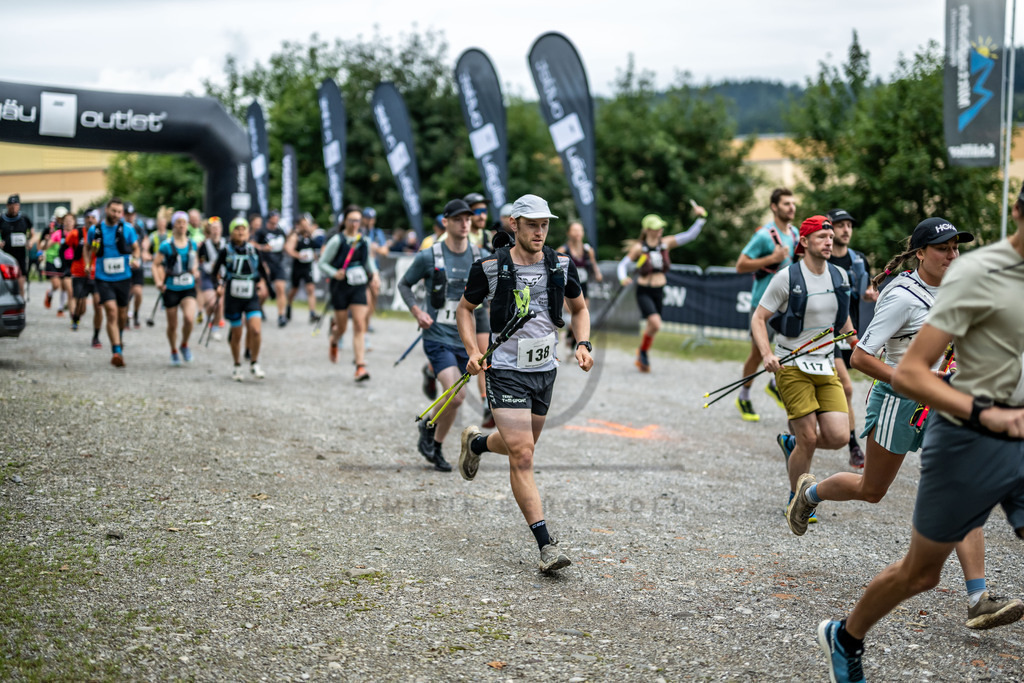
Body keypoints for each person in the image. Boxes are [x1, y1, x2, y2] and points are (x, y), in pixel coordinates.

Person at [817, 201, 1024, 682]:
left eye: (956, 248)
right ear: (920, 254)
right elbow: (864, 356)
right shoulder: (914, 292)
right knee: (875, 494)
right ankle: (812, 496)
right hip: (903, 400)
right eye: (943, 249)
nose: (952, 256)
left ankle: (977, 596)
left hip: (970, 418)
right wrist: (962, 400)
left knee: (969, 508)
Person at [455, 194, 593, 572]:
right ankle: (546, 546)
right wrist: (471, 350)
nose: (539, 231)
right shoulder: (489, 267)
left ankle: (477, 443)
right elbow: (464, 310)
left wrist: (582, 343)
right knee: (525, 454)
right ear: (514, 224)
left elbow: (579, 309)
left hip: (544, 371)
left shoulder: (561, 265)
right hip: (504, 370)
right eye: (532, 224)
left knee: (522, 446)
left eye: (545, 224)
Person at [751, 215, 854, 525]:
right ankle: (796, 498)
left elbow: (843, 321)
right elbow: (758, 318)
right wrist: (767, 354)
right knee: (809, 437)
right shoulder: (787, 278)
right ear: (805, 242)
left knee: (838, 436)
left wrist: (859, 342)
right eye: (822, 237)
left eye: (831, 238)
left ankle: (791, 444)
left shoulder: (839, 277)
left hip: (825, 364)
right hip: (791, 364)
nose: (829, 242)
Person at [399, 199, 484, 471]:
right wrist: (417, 312)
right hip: (437, 336)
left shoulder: (480, 255)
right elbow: (405, 284)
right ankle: (432, 433)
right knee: (456, 396)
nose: (465, 223)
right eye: (458, 219)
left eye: (468, 219)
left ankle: (433, 442)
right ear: (445, 222)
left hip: (465, 339)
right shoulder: (429, 256)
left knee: (453, 399)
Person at [616, 204, 707, 372]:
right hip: (644, 290)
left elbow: (689, 236)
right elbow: (623, 265)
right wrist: (623, 278)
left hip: (659, 290)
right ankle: (643, 352)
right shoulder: (639, 248)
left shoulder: (665, 243)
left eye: (661, 227)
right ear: (648, 230)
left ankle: (642, 351)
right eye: (657, 228)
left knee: (655, 326)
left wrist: (701, 218)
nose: (660, 230)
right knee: (655, 323)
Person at [735, 188, 799, 421]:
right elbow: (741, 265)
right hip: (762, 304)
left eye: (793, 203)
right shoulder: (764, 236)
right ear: (774, 207)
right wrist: (771, 259)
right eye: (786, 204)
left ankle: (774, 383)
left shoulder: (794, 234)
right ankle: (743, 396)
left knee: (787, 348)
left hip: (787, 304)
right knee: (757, 353)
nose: (791, 207)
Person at [826, 208, 877, 468]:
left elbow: (864, 292)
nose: (846, 230)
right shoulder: (820, 260)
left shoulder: (859, 261)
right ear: (829, 228)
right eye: (840, 225)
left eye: (849, 225)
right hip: (824, 336)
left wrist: (870, 294)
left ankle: (802, 435)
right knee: (845, 387)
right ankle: (853, 445)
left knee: (838, 388)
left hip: (849, 333)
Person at [318, 205, 378, 381]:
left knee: (360, 325)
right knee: (343, 327)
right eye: (351, 220)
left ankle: (360, 366)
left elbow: (369, 262)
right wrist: (334, 273)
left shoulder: (364, 241)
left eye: (358, 220)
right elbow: (322, 263)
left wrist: (374, 275)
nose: (355, 224)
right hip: (340, 287)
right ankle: (334, 339)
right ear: (345, 221)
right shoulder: (337, 240)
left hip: (359, 285)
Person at [85, 197, 141, 367]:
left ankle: (119, 337)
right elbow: (88, 248)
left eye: (119, 212)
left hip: (123, 277)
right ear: (106, 211)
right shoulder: (95, 230)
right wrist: (88, 264)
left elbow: (136, 248)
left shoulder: (128, 229)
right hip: (103, 278)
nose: (116, 214)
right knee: (111, 312)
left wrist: (136, 258)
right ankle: (117, 351)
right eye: (113, 211)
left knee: (122, 314)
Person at [211, 217, 268, 381]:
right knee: (237, 333)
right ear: (231, 232)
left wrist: (264, 285)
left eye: (244, 229)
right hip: (233, 297)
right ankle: (237, 365)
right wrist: (218, 286)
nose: (241, 232)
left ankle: (254, 362)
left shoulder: (253, 250)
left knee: (256, 330)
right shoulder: (226, 251)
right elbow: (215, 272)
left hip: (250, 295)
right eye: (237, 229)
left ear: (249, 232)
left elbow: (262, 271)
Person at [153, 211, 200, 365]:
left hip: (188, 286)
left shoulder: (192, 243)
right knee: (172, 325)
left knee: (188, 319)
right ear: (173, 225)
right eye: (178, 222)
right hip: (171, 287)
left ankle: (184, 344)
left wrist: (195, 269)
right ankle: (173, 350)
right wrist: (158, 281)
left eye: (183, 222)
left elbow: (196, 261)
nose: (181, 225)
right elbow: (156, 264)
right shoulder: (166, 245)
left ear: (187, 225)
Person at [63, 212, 102, 344]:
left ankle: (96, 336)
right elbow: (66, 246)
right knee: (81, 305)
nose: (90, 220)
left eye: (93, 218)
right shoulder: (76, 233)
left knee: (98, 304)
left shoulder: (102, 233)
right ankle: (76, 317)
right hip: (79, 273)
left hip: (98, 274)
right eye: (88, 218)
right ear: (84, 219)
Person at [284, 214, 324, 324]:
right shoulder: (295, 236)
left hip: (308, 267)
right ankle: (288, 305)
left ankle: (312, 313)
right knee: (294, 289)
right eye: (304, 224)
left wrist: (316, 258)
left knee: (311, 289)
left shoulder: (311, 237)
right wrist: (299, 255)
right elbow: (288, 249)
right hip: (298, 267)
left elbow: (314, 250)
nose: (306, 226)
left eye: (307, 224)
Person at [252, 210, 289, 327]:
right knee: (263, 293)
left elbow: (285, 245)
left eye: (277, 220)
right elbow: (252, 243)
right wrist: (263, 247)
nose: (275, 222)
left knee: (280, 288)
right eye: (273, 220)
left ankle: (281, 315)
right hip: (264, 265)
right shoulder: (261, 231)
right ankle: (260, 308)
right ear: (269, 219)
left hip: (277, 264)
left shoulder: (280, 232)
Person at [198, 217, 226, 339]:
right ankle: (210, 318)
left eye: (217, 228)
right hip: (209, 277)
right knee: (210, 303)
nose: (215, 231)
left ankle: (215, 327)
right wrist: (213, 267)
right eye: (213, 228)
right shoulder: (204, 245)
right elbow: (202, 263)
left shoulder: (226, 243)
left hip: (222, 277)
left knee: (219, 303)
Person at [0, 194, 32, 296]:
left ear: (19, 206)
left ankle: (21, 306)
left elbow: (33, 234)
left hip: (21, 255)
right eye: (11, 205)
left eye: (16, 205)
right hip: (6, 256)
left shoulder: (24, 218)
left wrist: (30, 241)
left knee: (20, 284)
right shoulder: (2, 219)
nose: (13, 207)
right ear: (7, 206)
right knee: (7, 284)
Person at [123, 202, 148, 328]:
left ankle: (136, 313)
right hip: (124, 263)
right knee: (127, 293)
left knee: (138, 292)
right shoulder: (121, 228)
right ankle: (126, 317)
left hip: (137, 263)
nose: (130, 217)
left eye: (132, 214)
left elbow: (145, 240)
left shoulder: (138, 227)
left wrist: (145, 252)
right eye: (127, 214)